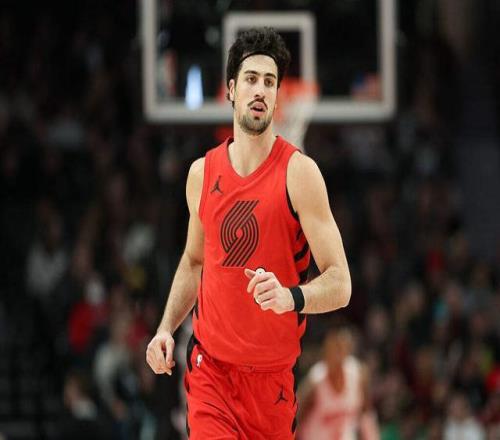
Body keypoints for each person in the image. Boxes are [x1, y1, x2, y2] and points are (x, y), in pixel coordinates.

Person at [146, 27, 351, 439]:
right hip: (211, 373)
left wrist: (291, 297)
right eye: (252, 79)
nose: (261, 90)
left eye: (270, 82)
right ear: (231, 90)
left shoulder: (300, 174)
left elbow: (340, 283)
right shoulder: (201, 174)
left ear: (277, 97)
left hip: (272, 384)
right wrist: (165, 327)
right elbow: (194, 261)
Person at [296, 324, 379, 440]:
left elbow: (366, 414)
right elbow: (295, 417)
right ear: (325, 352)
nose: (337, 355)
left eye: (341, 349)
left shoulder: (358, 375)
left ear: (348, 350)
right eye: (334, 350)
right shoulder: (315, 381)